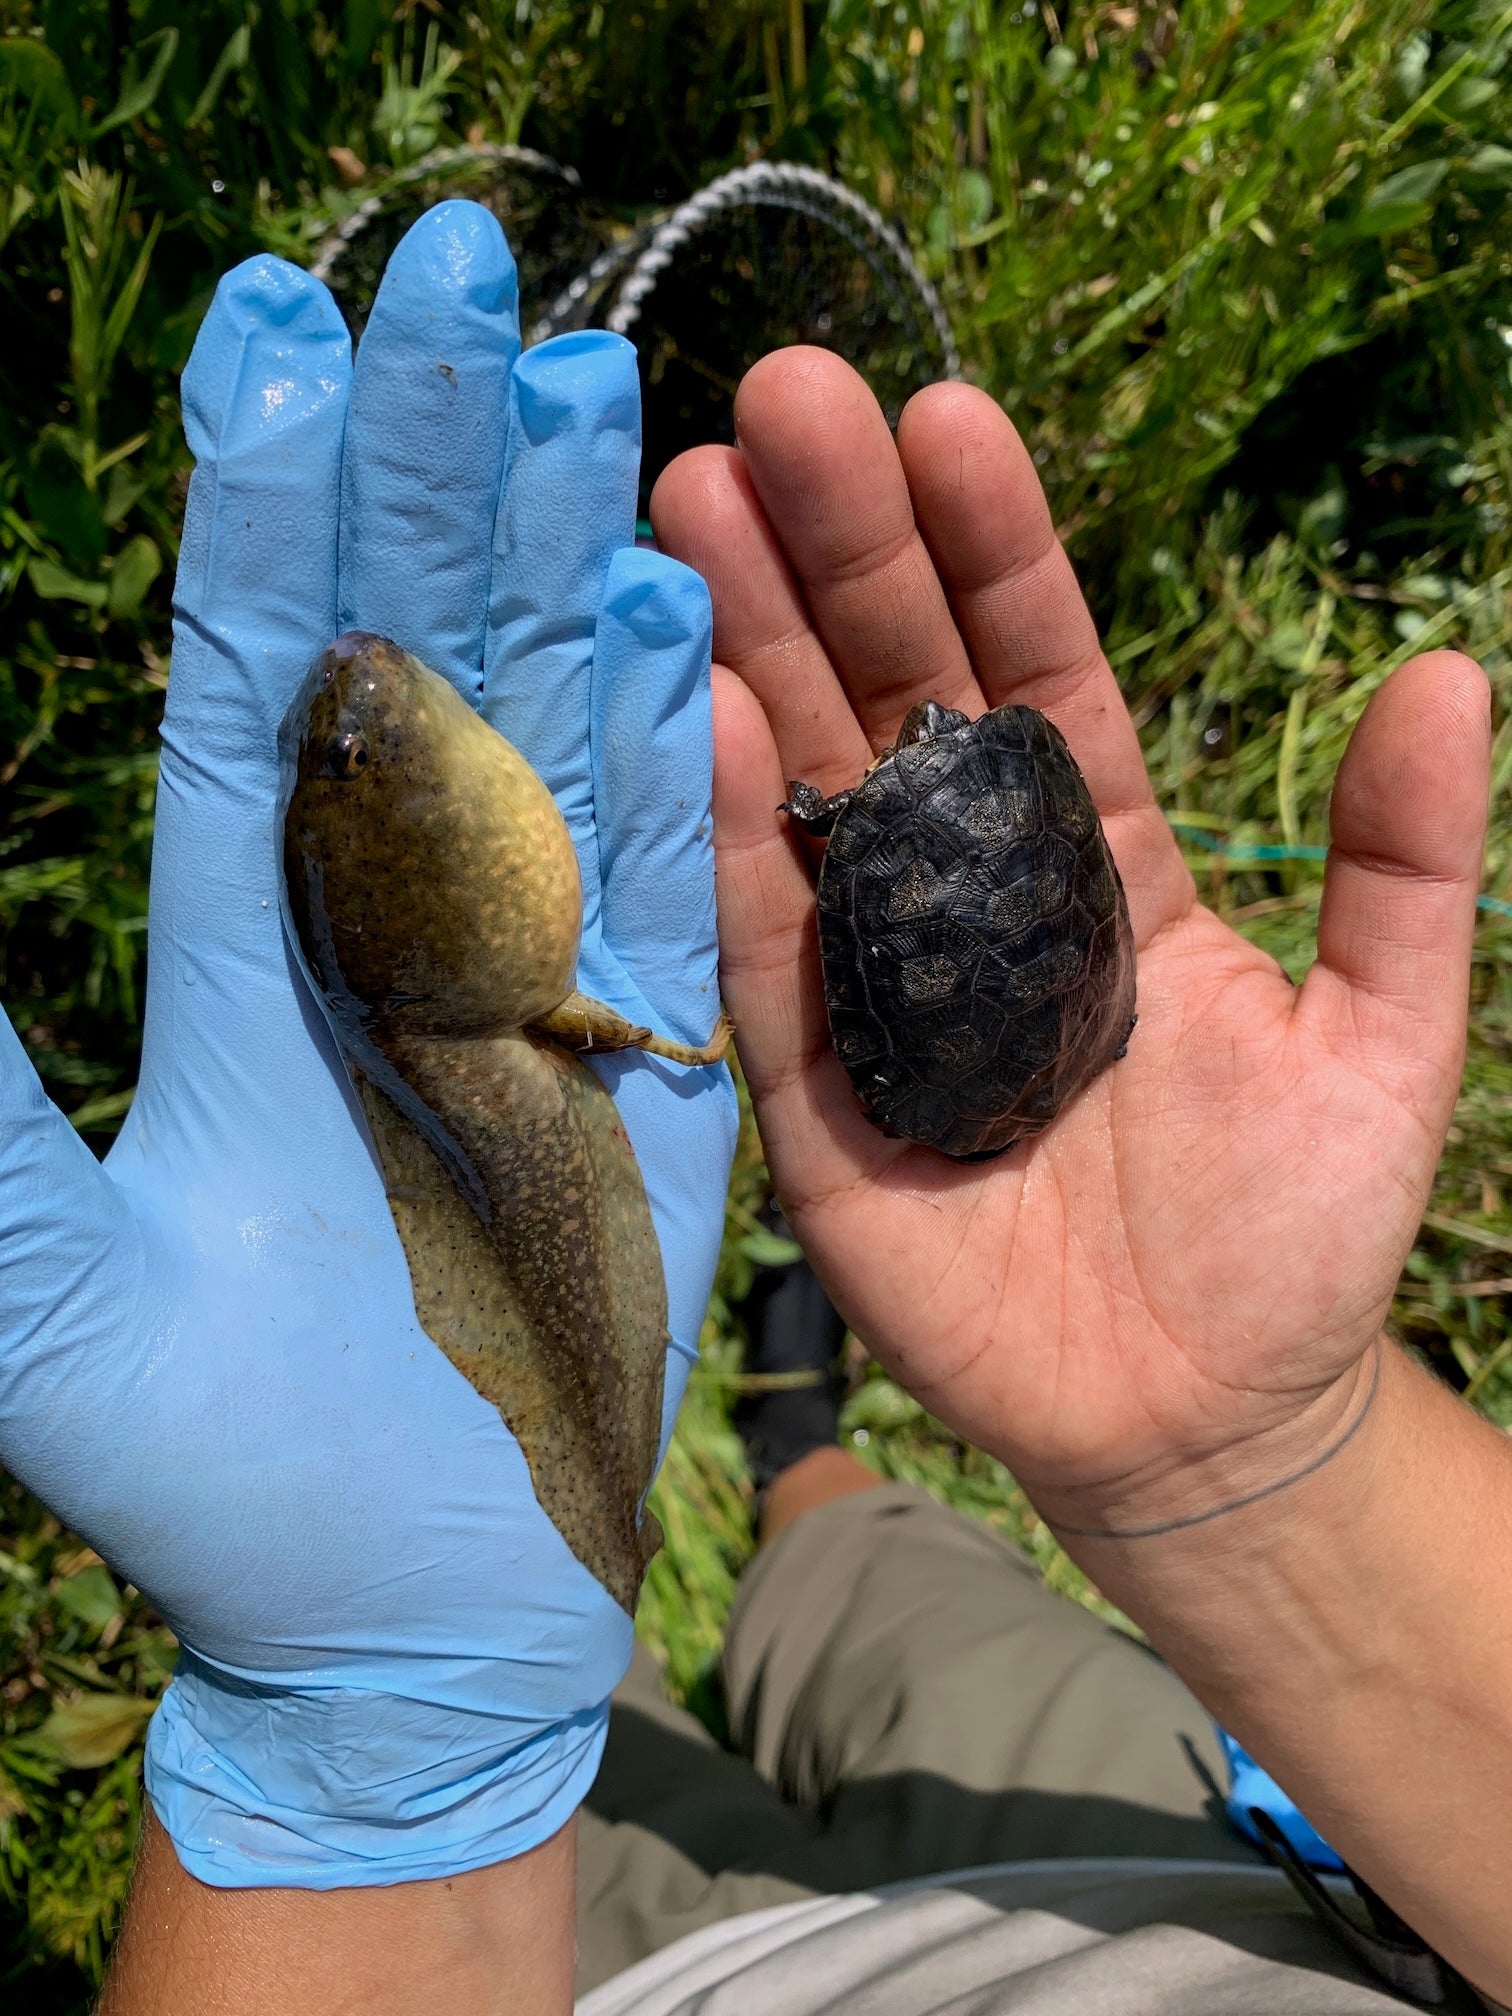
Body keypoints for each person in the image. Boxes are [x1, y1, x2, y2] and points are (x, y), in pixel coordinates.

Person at [1, 199, 1507, 2015]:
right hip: (1250, 1855)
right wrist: (1269, 1474)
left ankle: (643, 1616)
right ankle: (806, 1459)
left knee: (593, 1750)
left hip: (663, 1978)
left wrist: (397, 1790)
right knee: (896, 1585)